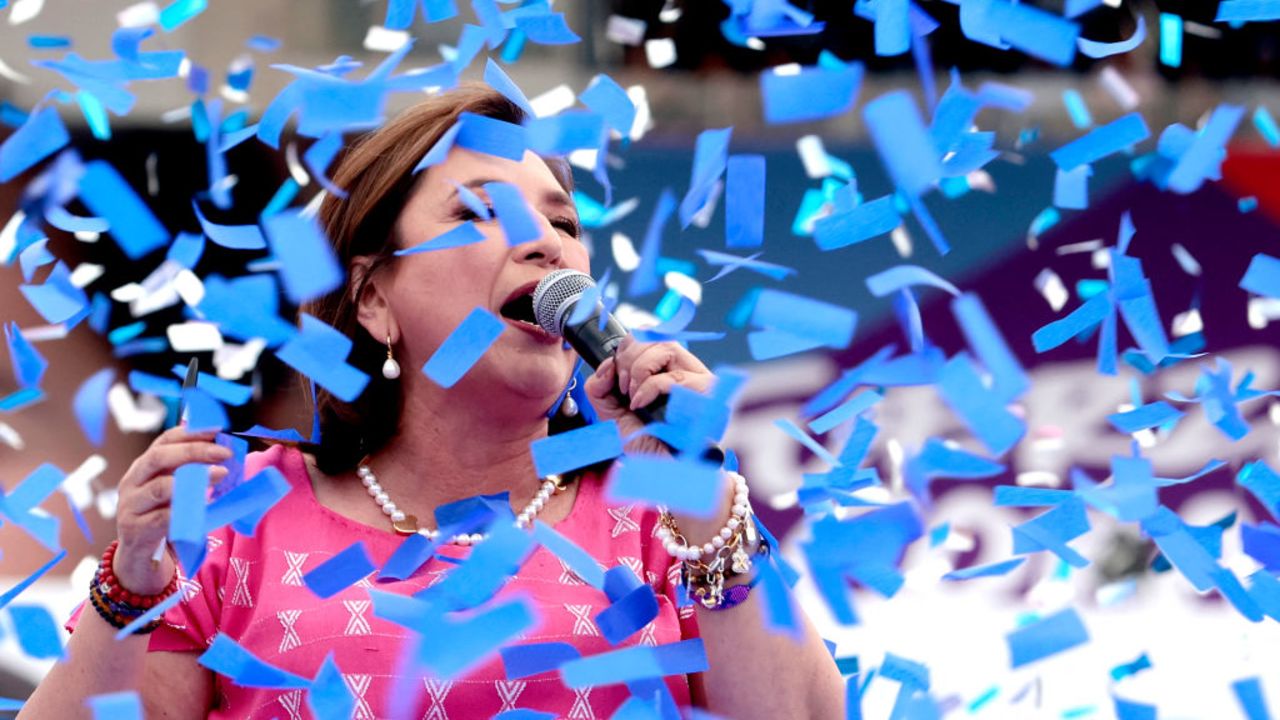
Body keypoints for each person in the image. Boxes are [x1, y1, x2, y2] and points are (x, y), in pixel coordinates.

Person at [22, 85, 844, 719]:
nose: (547, 241)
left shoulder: (658, 522)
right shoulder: (241, 517)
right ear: (374, 298)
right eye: (484, 211)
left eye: (564, 222)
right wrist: (131, 586)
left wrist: (701, 495)